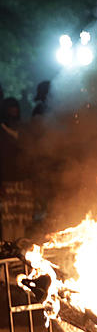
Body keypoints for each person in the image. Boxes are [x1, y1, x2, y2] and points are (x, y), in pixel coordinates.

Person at [0, 97, 33, 241]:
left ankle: (18, 256)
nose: (13, 112)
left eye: (15, 108)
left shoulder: (24, 131)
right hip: (6, 184)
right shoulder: (1, 132)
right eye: (10, 109)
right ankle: (9, 252)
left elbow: (32, 155)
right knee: (7, 222)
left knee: (22, 221)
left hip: (24, 183)